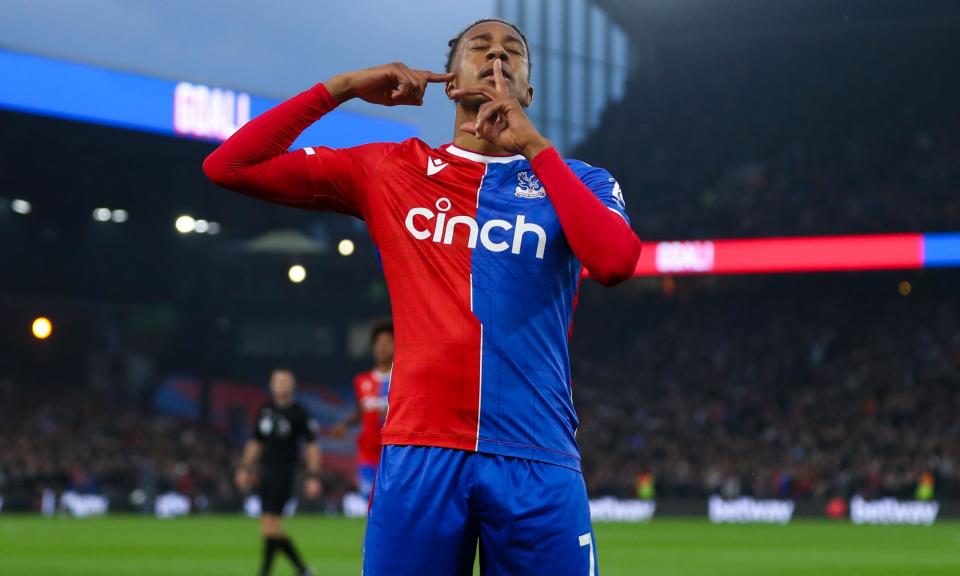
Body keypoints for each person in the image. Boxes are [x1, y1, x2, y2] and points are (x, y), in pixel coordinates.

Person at [205, 17, 641, 575]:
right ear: (451, 81)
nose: (497, 57)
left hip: (537, 458)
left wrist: (532, 145)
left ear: (528, 91)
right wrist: (340, 88)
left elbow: (614, 262)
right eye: (479, 47)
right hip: (421, 455)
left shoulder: (580, 181)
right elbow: (231, 166)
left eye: (514, 52)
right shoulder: (393, 169)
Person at [236, 369, 322, 576]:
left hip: (285, 472)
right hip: (265, 471)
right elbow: (256, 441)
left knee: (270, 524)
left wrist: (313, 476)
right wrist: (244, 468)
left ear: (293, 385)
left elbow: (312, 446)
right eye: (277, 381)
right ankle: (302, 570)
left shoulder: (299, 412)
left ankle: (267, 572)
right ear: (271, 385)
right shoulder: (265, 410)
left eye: (285, 381)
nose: (281, 385)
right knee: (270, 526)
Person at [332, 319, 393, 499]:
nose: (382, 347)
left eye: (388, 342)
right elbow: (361, 409)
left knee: (390, 501)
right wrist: (345, 424)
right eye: (378, 343)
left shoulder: (401, 380)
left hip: (392, 452)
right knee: (370, 500)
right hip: (368, 452)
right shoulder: (362, 380)